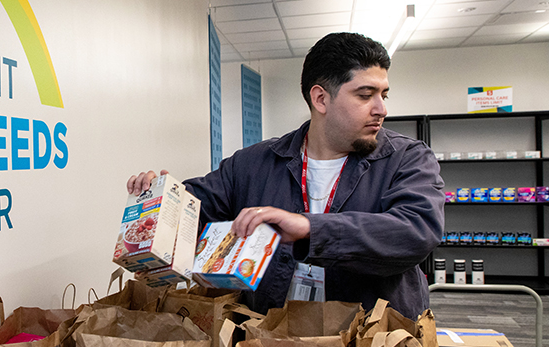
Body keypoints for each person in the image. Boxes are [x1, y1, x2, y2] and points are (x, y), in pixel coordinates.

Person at [127, 32, 444, 320]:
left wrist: (309, 228)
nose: (381, 109)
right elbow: (197, 208)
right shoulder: (254, 163)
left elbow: (415, 231)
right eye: (365, 95)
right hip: (274, 343)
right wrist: (161, 197)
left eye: (383, 95)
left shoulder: (408, 159)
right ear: (320, 99)